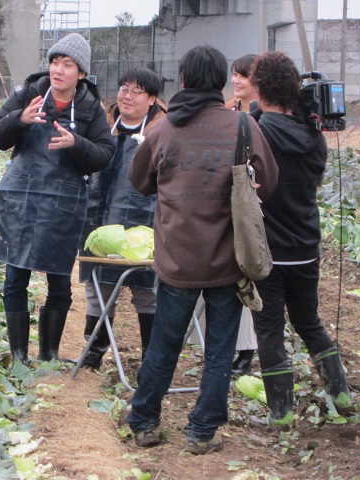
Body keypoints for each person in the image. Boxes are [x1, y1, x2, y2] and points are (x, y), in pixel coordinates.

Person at [126, 45, 278, 453]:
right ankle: (202, 431)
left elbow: (138, 181)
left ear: (186, 80)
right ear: (219, 83)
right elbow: (270, 181)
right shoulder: (243, 127)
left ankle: (143, 421)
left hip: (176, 259)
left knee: (163, 345)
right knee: (219, 350)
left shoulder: (163, 128)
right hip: (228, 260)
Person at [0, 33, 115, 364]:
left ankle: (49, 355)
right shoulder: (30, 94)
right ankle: (18, 355)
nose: (58, 70)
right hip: (22, 199)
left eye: (67, 65)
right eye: (55, 62)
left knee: (59, 280)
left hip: (62, 202)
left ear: (81, 73)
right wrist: (20, 119)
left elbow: (104, 154)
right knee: (15, 278)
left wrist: (76, 144)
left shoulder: (89, 108)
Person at [247, 51, 353, 427]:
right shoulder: (316, 137)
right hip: (306, 246)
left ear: (259, 91)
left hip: (269, 251)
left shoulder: (255, 132)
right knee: (309, 322)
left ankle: (281, 413)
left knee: (270, 329)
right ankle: (340, 391)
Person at [79, 68, 167, 369]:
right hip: (100, 215)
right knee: (98, 287)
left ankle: (150, 358)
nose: (126, 96)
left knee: (146, 291)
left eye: (136, 91)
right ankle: (94, 352)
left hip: (147, 219)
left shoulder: (162, 129)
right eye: (122, 88)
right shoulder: (102, 124)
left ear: (152, 98)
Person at [191, 54, 260, 376]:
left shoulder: (259, 117)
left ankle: (246, 351)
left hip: (249, 212)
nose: (237, 80)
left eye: (244, 75)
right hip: (224, 209)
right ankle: (222, 349)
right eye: (234, 74)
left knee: (242, 279)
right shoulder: (230, 112)